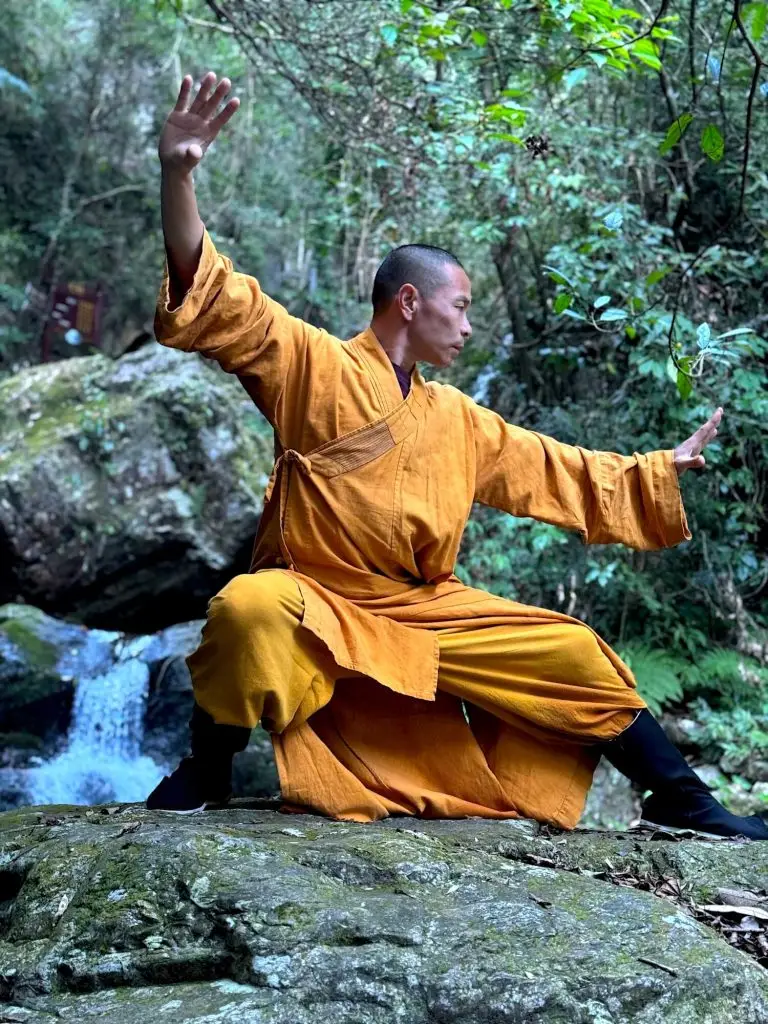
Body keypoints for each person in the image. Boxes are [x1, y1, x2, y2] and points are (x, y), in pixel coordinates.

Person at [146, 71, 767, 841]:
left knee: (573, 651)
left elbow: (556, 470)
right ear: (410, 302)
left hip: (427, 611)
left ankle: (687, 803)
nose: (468, 326)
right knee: (246, 608)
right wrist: (179, 172)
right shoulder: (315, 365)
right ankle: (207, 768)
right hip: (322, 600)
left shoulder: (457, 418)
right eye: (462, 306)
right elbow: (216, 296)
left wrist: (656, 470)